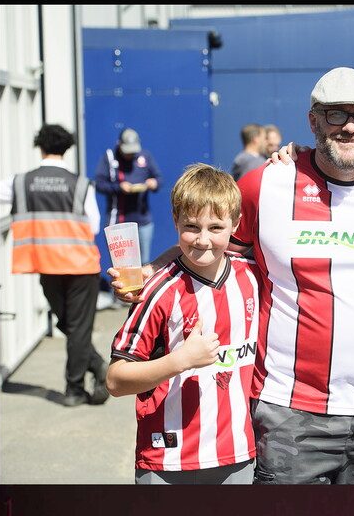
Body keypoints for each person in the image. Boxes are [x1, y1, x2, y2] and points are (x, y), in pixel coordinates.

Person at [113, 67, 354, 484]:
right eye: (336, 114)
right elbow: (209, 243)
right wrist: (151, 271)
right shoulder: (266, 184)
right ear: (313, 120)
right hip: (289, 414)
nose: (350, 126)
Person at [105, 163, 260, 484]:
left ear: (235, 224)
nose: (203, 240)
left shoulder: (254, 275)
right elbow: (116, 381)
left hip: (237, 454)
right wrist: (181, 361)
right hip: (168, 460)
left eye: (215, 227)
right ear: (175, 221)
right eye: (191, 226)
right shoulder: (158, 291)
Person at [0, 124, 109, 407]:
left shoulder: (20, 183)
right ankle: (81, 383)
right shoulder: (81, 184)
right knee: (76, 328)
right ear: (67, 149)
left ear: (40, 147)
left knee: (69, 325)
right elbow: (94, 225)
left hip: (46, 265)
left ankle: (87, 375)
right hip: (81, 266)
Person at [94, 127, 163, 265]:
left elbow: (159, 179)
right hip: (118, 219)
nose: (130, 155)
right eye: (127, 152)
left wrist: (154, 183)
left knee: (144, 262)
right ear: (119, 144)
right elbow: (99, 184)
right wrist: (119, 187)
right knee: (121, 264)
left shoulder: (145, 156)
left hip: (142, 219)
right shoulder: (110, 157)